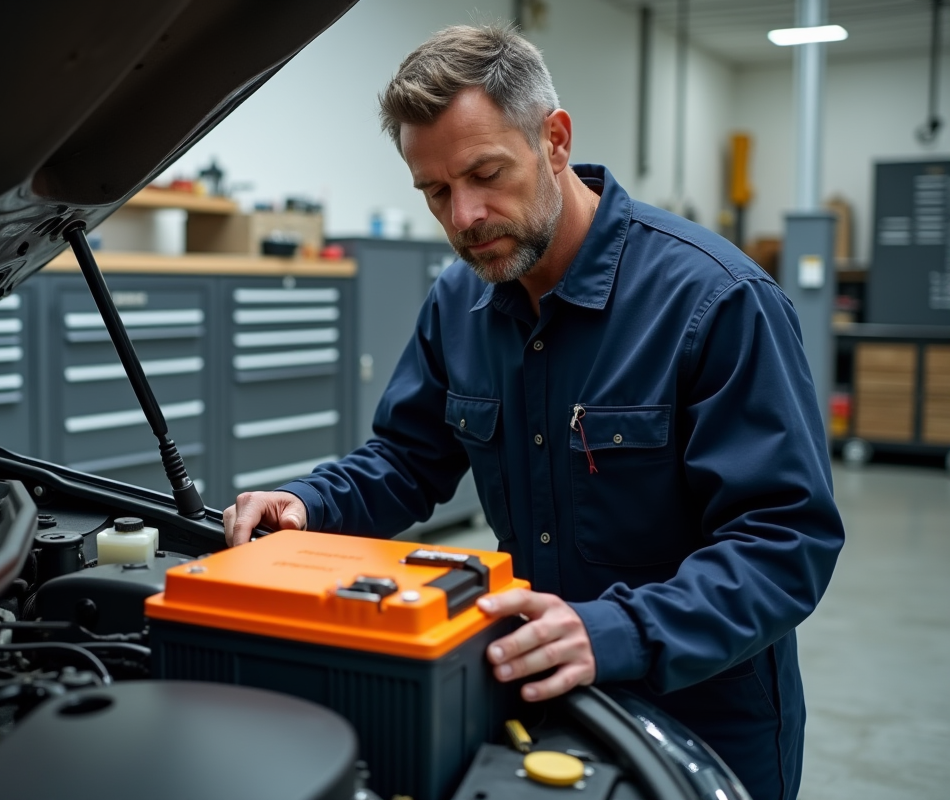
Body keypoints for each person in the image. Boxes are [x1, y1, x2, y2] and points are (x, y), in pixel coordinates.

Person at [223, 24, 843, 800]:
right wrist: (309, 502)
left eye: (486, 173)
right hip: (532, 702)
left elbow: (783, 543)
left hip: (703, 724)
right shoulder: (459, 301)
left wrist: (614, 631)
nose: (466, 216)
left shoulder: (716, 301)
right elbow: (408, 459)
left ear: (554, 139)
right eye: (436, 191)